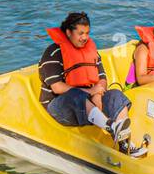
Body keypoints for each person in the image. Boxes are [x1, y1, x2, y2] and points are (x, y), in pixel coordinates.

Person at [39, 12, 145, 157]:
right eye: (80, 33)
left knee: (115, 94)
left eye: (87, 33)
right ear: (68, 32)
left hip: (90, 102)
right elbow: (57, 87)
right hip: (59, 107)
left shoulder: (90, 51)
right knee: (76, 95)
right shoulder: (53, 53)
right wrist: (90, 93)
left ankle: (125, 144)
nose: (85, 37)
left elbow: (102, 79)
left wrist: (97, 94)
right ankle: (111, 126)